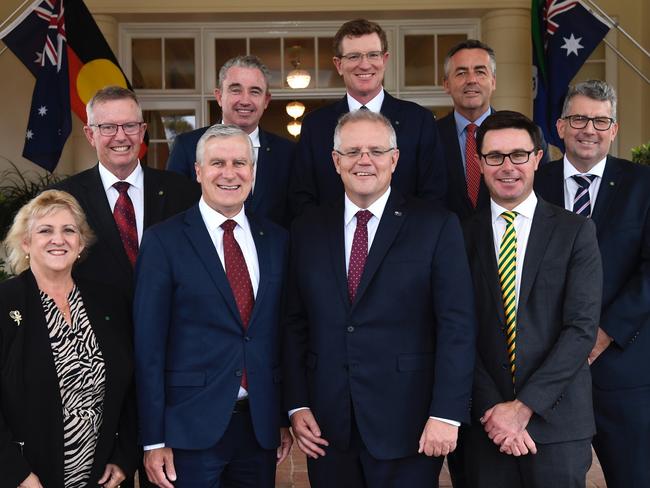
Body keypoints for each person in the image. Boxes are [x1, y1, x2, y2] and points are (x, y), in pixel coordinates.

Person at [283, 109, 476, 488]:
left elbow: (458, 325)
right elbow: (294, 322)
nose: (364, 161)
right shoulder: (307, 228)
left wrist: (447, 413)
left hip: (411, 423)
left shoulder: (435, 224)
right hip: (328, 426)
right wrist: (297, 403)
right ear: (336, 162)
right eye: (352, 151)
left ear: (395, 158)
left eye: (376, 150)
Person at [134, 124, 292, 488]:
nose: (230, 173)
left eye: (240, 162)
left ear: (253, 171)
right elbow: (148, 347)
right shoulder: (164, 241)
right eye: (217, 162)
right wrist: (154, 438)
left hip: (258, 427)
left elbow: (279, 333)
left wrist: (281, 414)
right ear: (198, 171)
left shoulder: (276, 240)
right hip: (187, 429)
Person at [462, 110, 602, 487]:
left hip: (556, 424)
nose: (508, 167)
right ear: (480, 162)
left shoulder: (576, 232)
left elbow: (581, 330)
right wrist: (495, 410)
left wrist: (522, 409)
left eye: (519, 155)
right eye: (495, 156)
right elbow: (456, 330)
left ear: (538, 158)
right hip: (484, 427)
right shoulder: (458, 236)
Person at [535, 80, 650, 487]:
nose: (589, 129)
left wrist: (602, 334)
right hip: (542, 370)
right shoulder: (533, 183)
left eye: (601, 121)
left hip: (622, 367)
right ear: (560, 126)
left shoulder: (643, 185)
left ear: (614, 130)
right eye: (579, 118)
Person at [0, 190, 136, 488]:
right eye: (45, 230)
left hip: (101, 476)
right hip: (29, 478)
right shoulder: (5, 302)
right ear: (26, 242)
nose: (58, 239)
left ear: (81, 243)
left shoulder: (109, 302)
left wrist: (124, 456)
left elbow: (131, 387)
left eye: (68, 230)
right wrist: (16, 474)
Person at [53, 85, 199, 300]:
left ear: (142, 132)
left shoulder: (184, 193)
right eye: (108, 127)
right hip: (95, 329)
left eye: (130, 126)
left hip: (169, 326)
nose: (120, 137)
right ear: (90, 134)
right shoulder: (63, 198)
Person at [290, 18, 446, 217]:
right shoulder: (315, 125)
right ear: (338, 64)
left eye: (373, 55)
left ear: (385, 60)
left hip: (407, 244)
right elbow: (302, 197)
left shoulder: (419, 121)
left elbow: (433, 195)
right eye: (354, 56)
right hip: (334, 243)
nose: (364, 65)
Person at [167, 55, 295, 227]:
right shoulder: (187, 146)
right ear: (219, 96)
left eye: (255, 91)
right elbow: (174, 210)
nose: (245, 100)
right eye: (236, 90)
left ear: (266, 101)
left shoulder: (288, 153)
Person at [439, 39, 549, 221]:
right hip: (445, 243)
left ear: (493, 81)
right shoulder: (429, 137)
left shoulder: (528, 135)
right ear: (446, 84)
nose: (471, 80)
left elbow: (542, 191)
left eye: (480, 72)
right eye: (461, 73)